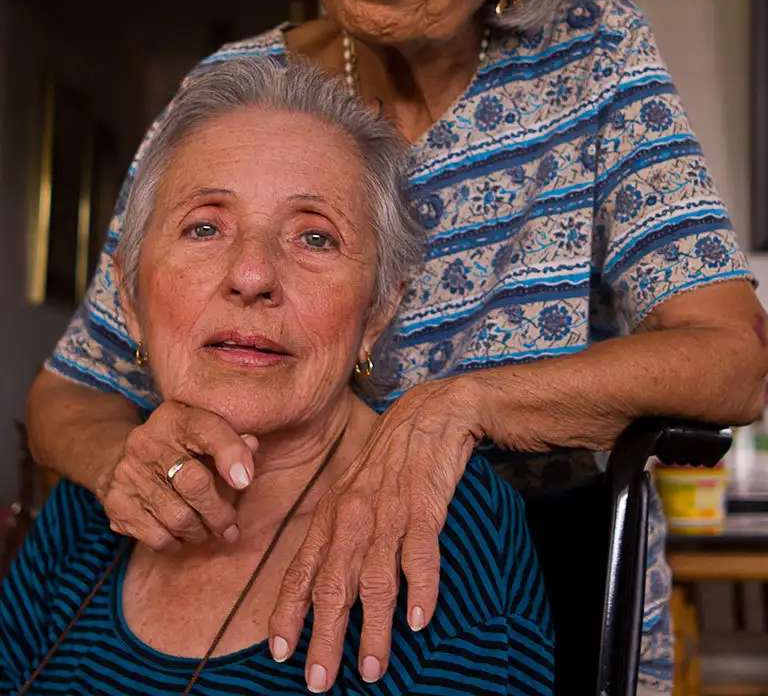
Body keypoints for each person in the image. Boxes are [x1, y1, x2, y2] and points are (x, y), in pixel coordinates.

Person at [26, 0, 768, 695]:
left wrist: (463, 406)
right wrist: (125, 458)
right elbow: (70, 391)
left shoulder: (591, 63)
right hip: (245, 594)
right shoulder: (237, 94)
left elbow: (730, 357)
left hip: (514, 600)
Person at [2, 56, 553, 695]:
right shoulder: (98, 501)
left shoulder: (439, 524)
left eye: (315, 238)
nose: (252, 275)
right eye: (204, 227)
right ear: (129, 300)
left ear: (377, 313)